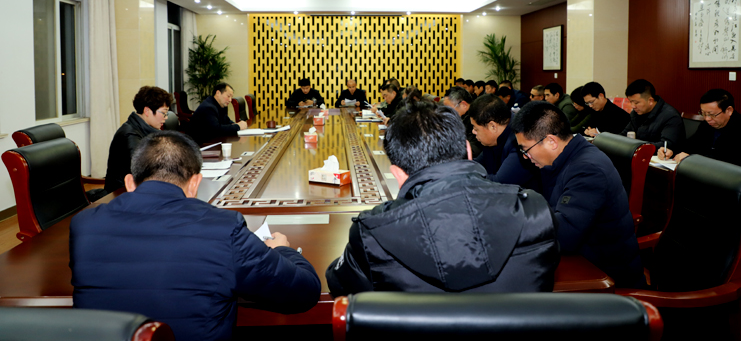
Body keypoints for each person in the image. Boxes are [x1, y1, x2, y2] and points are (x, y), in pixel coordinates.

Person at [71, 132, 321, 341]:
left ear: (129, 183)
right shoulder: (224, 228)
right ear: (195, 184)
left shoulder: (84, 225)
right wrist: (282, 250)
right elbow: (304, 292)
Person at [326, 101, 560, 296]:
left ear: (398, 176)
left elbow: (340, 287)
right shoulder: (535, 211)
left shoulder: (372, 232)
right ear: (469, 151)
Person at [511, 101, 643, 288]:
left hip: (606, 276)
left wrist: (514, 222)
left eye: (526, 149)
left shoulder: (588, 170)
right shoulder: (562, 160)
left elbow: (565, 236)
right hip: (583, 258)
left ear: (551, 141)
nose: (525, 156)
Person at [105, 86, 173, 193]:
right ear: (147, 111)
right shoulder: (130, 135)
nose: (166, 117)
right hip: (122, 194)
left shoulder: (145, 130)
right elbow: (144, 171)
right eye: (163, 113)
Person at [469, 94, 539, 190]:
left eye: (476, 128)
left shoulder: (521, 140)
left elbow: (499, 184)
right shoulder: (493, 139)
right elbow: (477, 164)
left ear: (493, 126)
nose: (473, 132)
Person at [659, 89, 741, 165]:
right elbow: (691, 145)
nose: (707, 118)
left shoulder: (738, 128)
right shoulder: (706, 125)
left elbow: (728, 160)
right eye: (703, 113)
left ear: (729, 110)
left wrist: (692, 159)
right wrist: (671, 151)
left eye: (712, 114)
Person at [620, 79, 684, 151]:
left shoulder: (670, 116)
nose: (633, 106)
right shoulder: (636, 113)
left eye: (636, 103)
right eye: (630, 102)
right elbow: (624, 134)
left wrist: (636, 147)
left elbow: (667, 145)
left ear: (650, 101)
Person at [443, 87, 484, 158]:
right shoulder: (460, 118)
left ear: (463, 105)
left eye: (449, 109)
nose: (447, 113)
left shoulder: (476, 119)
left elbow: (474, 149)